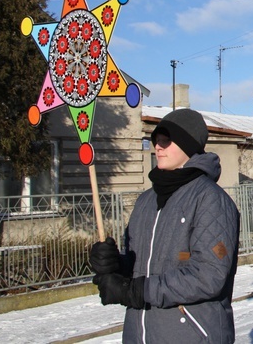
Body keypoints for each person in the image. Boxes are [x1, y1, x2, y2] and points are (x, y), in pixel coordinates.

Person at [89, 109, 240, 343]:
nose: (158, 146)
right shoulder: (146, 201)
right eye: (156, 140)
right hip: (140, 335)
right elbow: (139, 265)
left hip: (191, 335)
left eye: (166, 140)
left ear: (188, 145)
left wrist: (136, 291)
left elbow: (209, 275)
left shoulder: (211, 200)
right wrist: (114, 264)